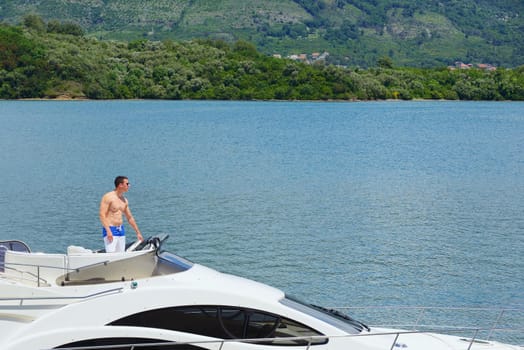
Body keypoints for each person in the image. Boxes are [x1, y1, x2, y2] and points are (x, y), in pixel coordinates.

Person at [99, 176, 143, 252]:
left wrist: (138, 232)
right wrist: (108, 231)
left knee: (121, 253)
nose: (129, 185)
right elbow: (102, 215)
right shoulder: (108, 197)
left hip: (121, 230)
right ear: (120, 185)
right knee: (111, 255)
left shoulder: (124, 200)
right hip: (111, 229)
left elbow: (129, 218)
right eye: (127, 184)